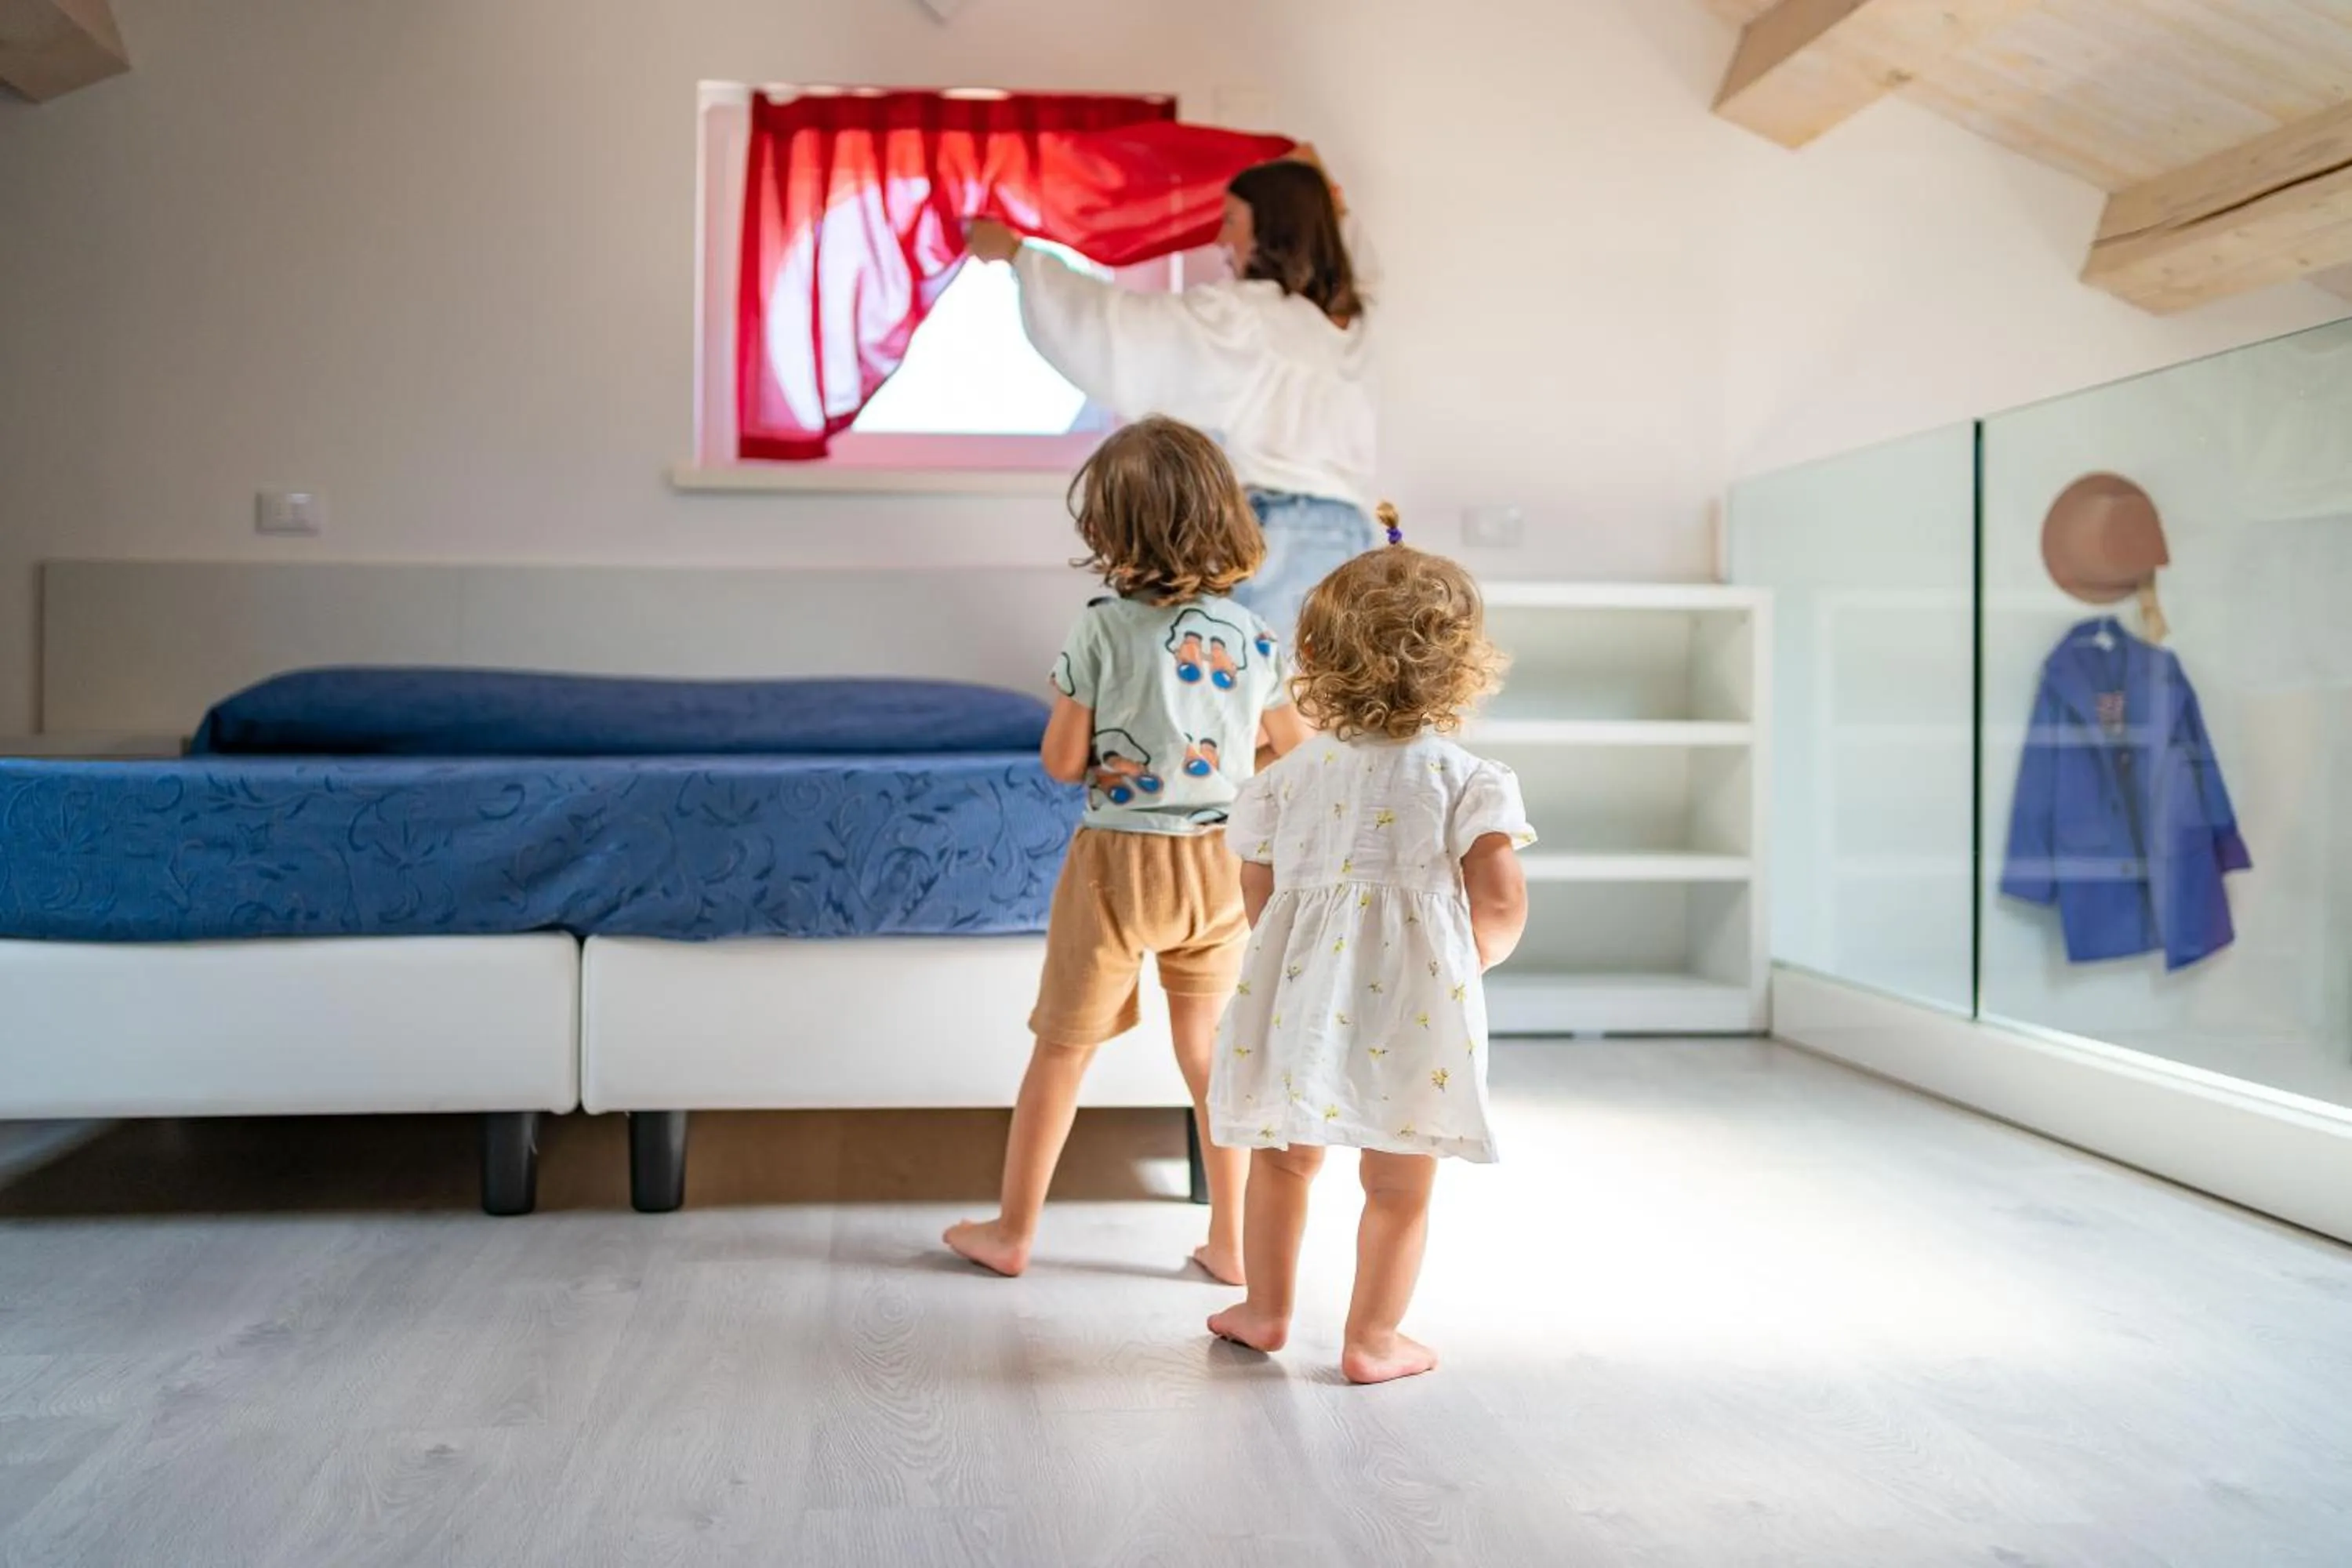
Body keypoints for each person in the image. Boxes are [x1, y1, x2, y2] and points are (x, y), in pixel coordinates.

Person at [946, 416, 1310, 1286]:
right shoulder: (1255, 636)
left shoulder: (1103, 630)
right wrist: (1229, 761)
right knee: (1210, 1054)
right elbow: (1295, 750)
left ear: (1112, 531)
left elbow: (1062, 760)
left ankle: (1013, 1230)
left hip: (1118, 863)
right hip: (1221, 864)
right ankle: (1231, 1243)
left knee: (1063, 1048)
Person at [1203, 524, 1535, 1384]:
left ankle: (1266, 1309)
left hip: (1302, 995)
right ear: (1462, 665)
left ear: (1313, 656)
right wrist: (1462, 965)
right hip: (1418, 1003)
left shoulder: (1284, 776)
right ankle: (1372, 1338)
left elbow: (1259, 897)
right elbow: (1499, 902)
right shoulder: (1468, 779)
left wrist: (1294, 966)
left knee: (1283, 1158)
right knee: (1399, 1182)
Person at [966, 148, 1377, 643]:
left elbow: (1118, 327)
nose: (1222, 238)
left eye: (1231, 220)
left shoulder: (1241, 317)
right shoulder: (1343, 321)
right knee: (1305, 701)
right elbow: (1348, 252)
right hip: (1345, 531)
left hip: (1273, 530)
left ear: (1273, 228)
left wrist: (1019, 255)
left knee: (1240, 701)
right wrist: (1322, 182)